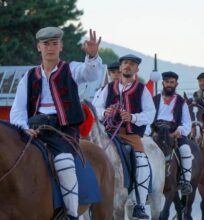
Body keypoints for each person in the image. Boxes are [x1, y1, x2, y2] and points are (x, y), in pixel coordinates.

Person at [10, 27, 102, 220]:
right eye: (46, 44)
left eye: (54, 43)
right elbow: (17, 111)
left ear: (61, 46)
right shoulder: (28, 76)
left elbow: (91, 75)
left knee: (64, 162)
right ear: (38, 47)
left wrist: (92, 57)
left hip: (63, 130)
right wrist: (24, 128)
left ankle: (70, 214)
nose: (50, 48)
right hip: (34, 129)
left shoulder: (73, 69)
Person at [94, 54, 156, 219]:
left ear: (137, 69)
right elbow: (95, 108)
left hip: (130, 135)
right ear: (120, 68)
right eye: (125, 63)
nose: (128, 66)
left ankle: (140, 205)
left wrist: (133, 117)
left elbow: (150, 114)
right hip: (106, 133)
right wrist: (103, 112)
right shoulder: (108, 88)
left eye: (132, 64)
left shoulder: (142, 90)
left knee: (142, 162)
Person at [146, 71, 193, 195]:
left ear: (176, 84)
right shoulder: (154, 100)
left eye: (172, 82)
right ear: (163, 83)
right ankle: (143, 183)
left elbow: (187, 123)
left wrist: (179, 131)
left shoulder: (181, 102)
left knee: (185, 149)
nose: (169, 84)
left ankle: (186, 182)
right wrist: (151, 132)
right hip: (156, 132)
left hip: (174, 132)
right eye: (167, 82)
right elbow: (148, 118)